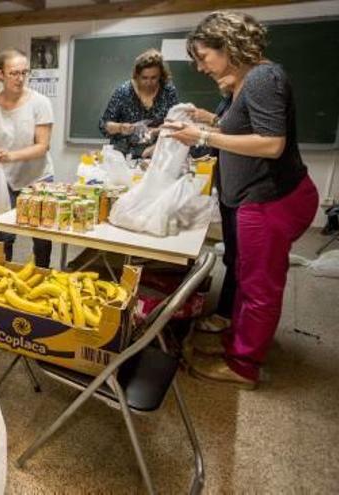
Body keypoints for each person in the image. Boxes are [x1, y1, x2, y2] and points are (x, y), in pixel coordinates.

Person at [165, 11, 319, 389]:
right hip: (252, 199)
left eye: (204, 57)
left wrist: (202, 137)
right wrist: (206, 120)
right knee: (247, 276)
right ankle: (236, 340)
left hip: (269, 200)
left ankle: (243, 366)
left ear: (228, 46)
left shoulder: (264, 78)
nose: (201, 67)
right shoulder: (244, 80)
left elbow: (270, 143)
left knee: (258, 286)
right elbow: (240, 126)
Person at [0, 48, 54, 267]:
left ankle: (42, 275)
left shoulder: (40, 103)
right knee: (5, 236)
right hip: (6, 181)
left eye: (24, 73)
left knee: (41, 236)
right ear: (0, 74)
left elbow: (42, 146)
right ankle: (3, 278)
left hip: (38, 179)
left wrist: (10, 155)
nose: (20, 79)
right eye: (14, 73)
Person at [187, 96, 235, 333]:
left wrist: (205, 127)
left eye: (204, 59)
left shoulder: (256, 88)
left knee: (240, 261)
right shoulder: (229, 98)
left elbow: (265, 141)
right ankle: (228, 313)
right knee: (234, 257)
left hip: (244, 193)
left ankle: (228, 315)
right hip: (230, 187)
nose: (201, 68)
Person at [99, 49, 179, 158]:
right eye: (144, 78)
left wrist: (156, 131)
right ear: (137, 75)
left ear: (161, 75)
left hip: (156, 153)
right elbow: (103, 125)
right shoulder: (124, 92)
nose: (149, 83)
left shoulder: (168, 91)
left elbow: (176, 124)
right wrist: (120, 127)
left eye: (154, 78)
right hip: (124, 155)